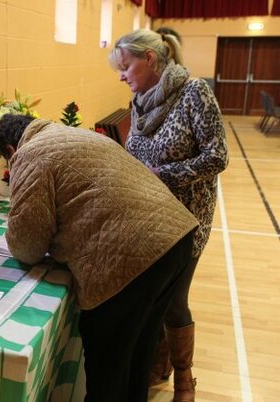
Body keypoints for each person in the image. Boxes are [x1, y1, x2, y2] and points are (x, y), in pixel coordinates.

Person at [0, 113, 199, 402]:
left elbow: (27, 245)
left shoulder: (30, 153)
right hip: (176, 237)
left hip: (131, 257)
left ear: (10, 149)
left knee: (108, 371)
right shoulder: (73, 134)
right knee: (139, 354)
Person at [109, 29, 229, 401]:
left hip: (187, 217)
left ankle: (184, 378)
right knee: (152, 295)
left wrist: (164, 175)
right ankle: (157, 365)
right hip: (149, 215)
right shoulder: (139, 102)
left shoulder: (195, 93)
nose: (121, 76)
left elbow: (217, 156)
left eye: (126, 66)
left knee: (174, 300)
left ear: (149, 59)